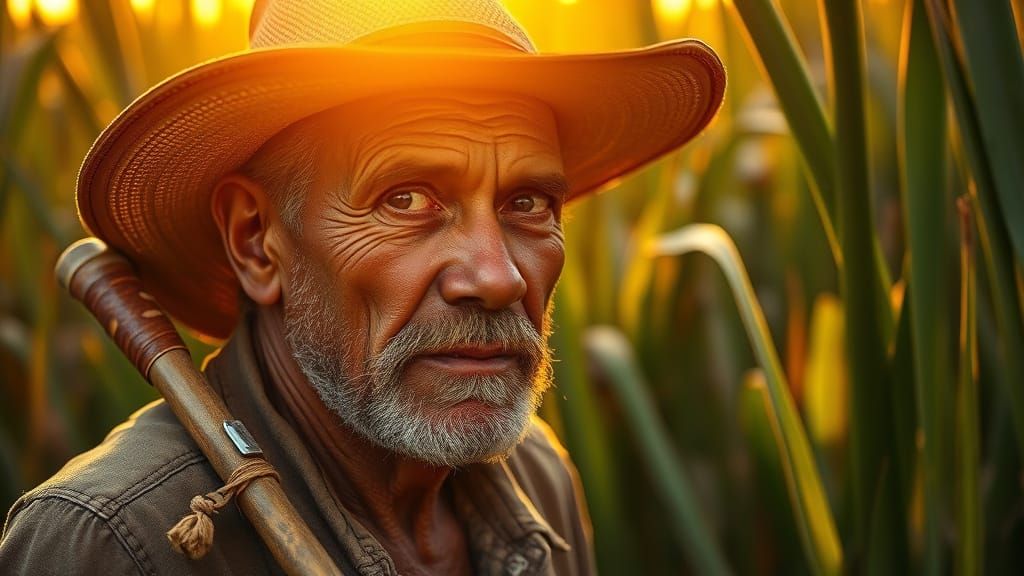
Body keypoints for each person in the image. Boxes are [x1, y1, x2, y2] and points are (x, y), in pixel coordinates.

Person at [0, 0, 725, 574]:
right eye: (407, 200)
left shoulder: (540, 479)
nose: (498, 276)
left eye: (527, 204)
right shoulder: (115, 547)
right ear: (257, 239)